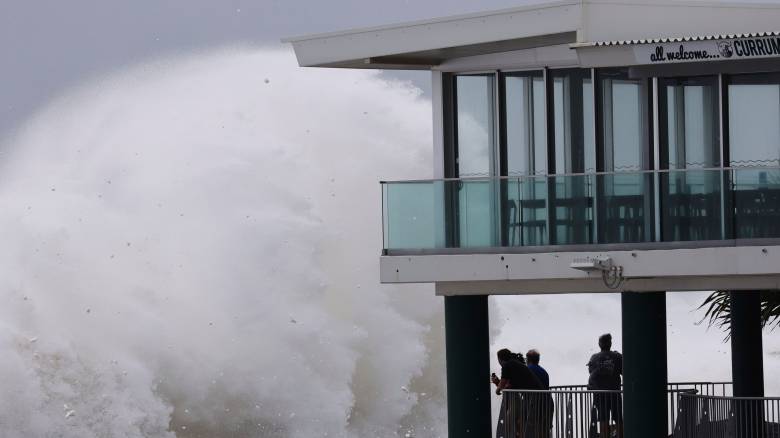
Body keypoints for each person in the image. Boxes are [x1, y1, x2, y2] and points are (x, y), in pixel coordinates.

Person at [492, 349, 542, 438]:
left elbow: (503, 384)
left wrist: (498, 389)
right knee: (519, 422)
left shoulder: (507, 365)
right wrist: (498, 383)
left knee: (511, 421)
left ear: (500, 359)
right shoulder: (514, 365)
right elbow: (509, 386)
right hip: (536, 397)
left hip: (533, 398)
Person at [587, 334, 623, 438]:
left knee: (603, 419)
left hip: (600, 394)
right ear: (610, 343)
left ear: (599, 344)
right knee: (618, 418)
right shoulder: (617, 357)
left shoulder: (594, 357)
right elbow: (624, 371)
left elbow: (591, 373)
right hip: (615, 393)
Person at [526, 349, 554, 438]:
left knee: (532, 429)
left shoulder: (528, 369)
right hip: (547, 402)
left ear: (528, 359)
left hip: (535, 404)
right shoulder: (544, 371)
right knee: (544, 430)